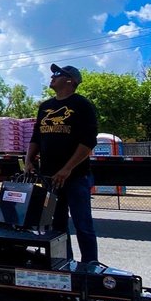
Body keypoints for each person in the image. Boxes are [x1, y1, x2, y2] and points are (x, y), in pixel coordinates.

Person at [25, 63, 99, 264]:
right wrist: (28, 160)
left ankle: (90, 267)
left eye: (57, 74)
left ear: (70, 80)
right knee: (57, 226)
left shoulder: (82, 105)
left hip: (75, 177)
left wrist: (67, 169)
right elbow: (36, 136)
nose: (52, 77)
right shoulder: (45, 107)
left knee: (83, 225)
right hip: (50, 179)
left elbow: (88, 141)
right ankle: (64, 264)